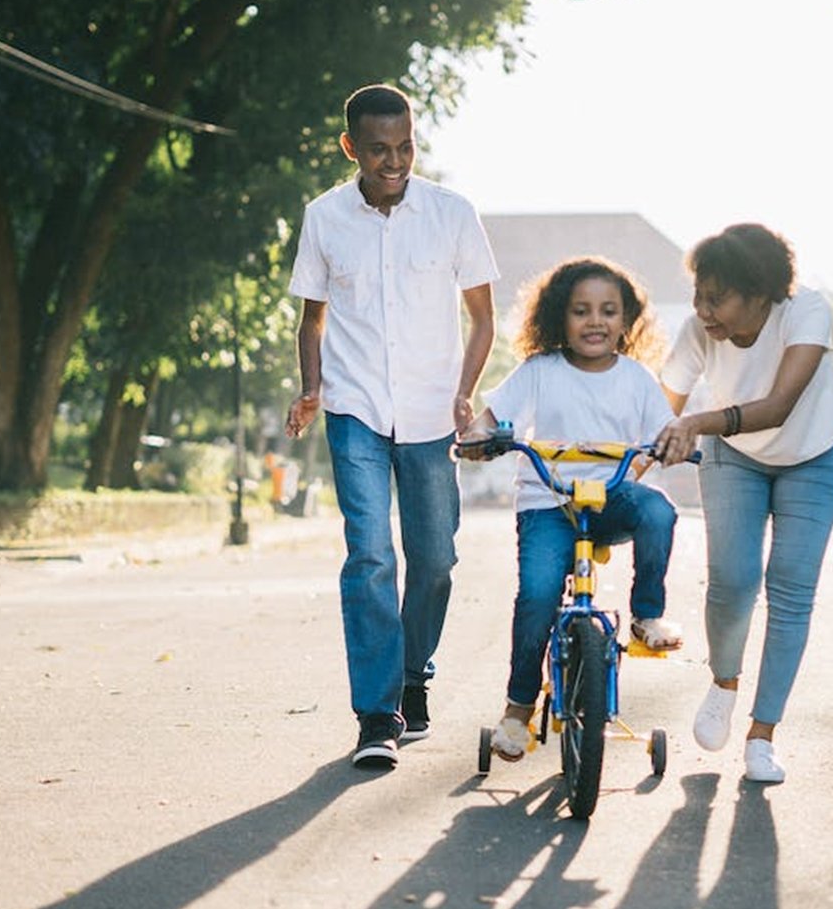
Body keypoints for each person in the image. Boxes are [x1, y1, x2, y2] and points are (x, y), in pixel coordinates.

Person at [284, 83, 498, 769]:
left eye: (405, 146)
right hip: (355, 410)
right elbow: (312, 318)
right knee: (371, 554)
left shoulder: (452, 213)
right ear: (351, 148)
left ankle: (413, 676)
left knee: (435, 559)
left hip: (434, 412)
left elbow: (483, 317)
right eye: (379, 150)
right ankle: (377, 713)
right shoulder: (324, 218)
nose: (394, 161)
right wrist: (313, 388)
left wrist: (466, 393)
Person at [460, 257, 683, 762]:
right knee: (538, 595)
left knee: (659, 512)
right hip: (548, 503)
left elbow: (663, 432)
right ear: (560, 317)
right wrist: (479, 436)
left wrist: (671, 445)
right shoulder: (540, 371)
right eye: (581, 311)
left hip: (610, 499)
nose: (595, 321)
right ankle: (518, 709)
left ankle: (647, 615)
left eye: (608, 311)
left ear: (627, 321)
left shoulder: (637, 379)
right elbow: (492, 418)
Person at [653, 223, 833, 784]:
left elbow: (780, 405)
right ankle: (723, 683)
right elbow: (660, 410)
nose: (703, 310)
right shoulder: (699, 331)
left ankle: (762, 736)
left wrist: (697, 422)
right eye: (698, 294)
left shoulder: (805, 312)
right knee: (733, 579)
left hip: (814, 453)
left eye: (717, 298)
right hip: (734, 457)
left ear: (760, 292)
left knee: (790, 587)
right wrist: (630, 463)